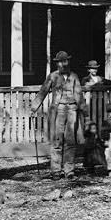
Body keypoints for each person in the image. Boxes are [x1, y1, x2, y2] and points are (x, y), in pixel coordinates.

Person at [31, 50, 84, 179]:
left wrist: (84, 111)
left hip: (72, 109)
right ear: (57, 63)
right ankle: (55, 171)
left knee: (70, 141)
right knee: (57, 141)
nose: (62, 64)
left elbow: (79, 95)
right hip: (58, 110)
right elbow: (43, 91)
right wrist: (33, 108)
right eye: (60, 62)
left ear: (68, 61)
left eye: (65, 61)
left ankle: (69, 170)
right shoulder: (53, 76)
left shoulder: (74, 76)